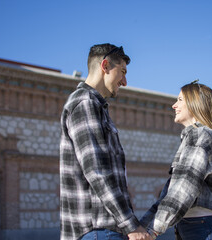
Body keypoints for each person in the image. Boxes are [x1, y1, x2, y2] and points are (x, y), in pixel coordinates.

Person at [60, 43, 152, 240]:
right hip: (98, 229)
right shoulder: (85, 103)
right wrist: (131, 225)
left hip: (102, 229)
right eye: (122, 72)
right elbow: (97, 171)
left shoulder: (95, 105)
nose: (125, 81)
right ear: (105, 66)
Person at [140, 80, 212, 240]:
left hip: (206, 227)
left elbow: (185, 187)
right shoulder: (195, 137)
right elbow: (170, 193)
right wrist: (142, 226)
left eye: (179, 100)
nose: (173, 105)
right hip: (200, 227)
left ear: (194, 104)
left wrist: (153, 229)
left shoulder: (201, 135)